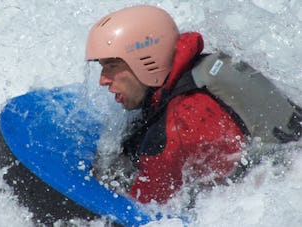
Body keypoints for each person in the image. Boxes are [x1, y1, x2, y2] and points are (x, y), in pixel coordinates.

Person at [85, 5, 302, 204]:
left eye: (112, 66)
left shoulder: (176, 130)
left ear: (146, 61)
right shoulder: (200, 69)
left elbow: (139, 208)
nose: (102, 80)